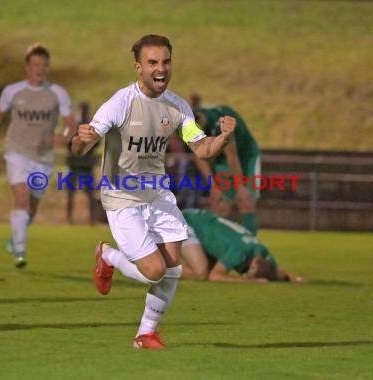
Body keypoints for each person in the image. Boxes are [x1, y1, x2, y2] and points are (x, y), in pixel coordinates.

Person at [70, 34, 237, 349]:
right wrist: (81, 138)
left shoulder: (176, 106)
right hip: (122, 196)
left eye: (166, 61)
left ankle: (145, 334)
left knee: (173, 269)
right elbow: (83, 145)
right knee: (154, 271)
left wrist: (223, 138)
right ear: (138, 67)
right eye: (152, 63)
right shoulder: (120, 103)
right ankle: (107, 256)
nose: (161, 68)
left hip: (157, 196)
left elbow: (202, 150)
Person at [0, 43, 76, 269]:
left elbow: (70, 126)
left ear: (48, 67)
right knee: (20, 198)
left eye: (44, 65)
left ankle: (16, 236)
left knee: (31, 208)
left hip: (43, 159)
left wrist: (62, 138)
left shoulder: (58, 94)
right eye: (35, 65)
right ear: (27, 67)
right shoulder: (13, 92)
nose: (39, 69)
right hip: (17, 154)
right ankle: (20, 252)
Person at [181, 208, 305, 283]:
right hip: (185, 221)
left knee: (202, 266)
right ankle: (164, 268)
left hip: (199, 220)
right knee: (202, 273)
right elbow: (215, 275)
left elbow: (279, 271)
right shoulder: (240, 253)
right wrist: (249, 282)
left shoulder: (261, 252)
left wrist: (296, 279)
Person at [192, 102, 261, 236]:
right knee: (220, 204)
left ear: (199, 121)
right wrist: (213, 187)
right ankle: (216, 246)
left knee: (246, 200)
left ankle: (250, 245)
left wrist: (240, 186)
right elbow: (199, 157)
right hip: (222, 157)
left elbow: (232, 155)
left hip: (247, 156)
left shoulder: (220, 124)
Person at [65, 101, 99, 224]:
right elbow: (68, 142)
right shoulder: (74, 126)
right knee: (71, 194)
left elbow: (96, 143)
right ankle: (70, 219)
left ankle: (91, 220)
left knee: (89, 194)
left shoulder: (91, 126)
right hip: (76, 164)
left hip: (85, 165)